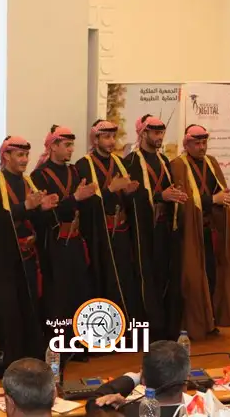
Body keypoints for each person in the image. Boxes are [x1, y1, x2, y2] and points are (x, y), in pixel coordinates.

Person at [0, 136, 57, 368]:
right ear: (6, 156)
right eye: (20, 155)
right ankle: (11, 362)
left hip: (29, 257)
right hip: (6, 260)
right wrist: (26, 207)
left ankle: (32, 359)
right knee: (10, 312)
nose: (25, 160)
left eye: (27, 155)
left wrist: (43, 209)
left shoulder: (28, 182)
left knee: (32, 308)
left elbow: (37, 221)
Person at [31, 126, 95, 358]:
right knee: (58, 297)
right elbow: (46, 214)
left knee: (79, 292)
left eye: (72, 145)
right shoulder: (39, 176)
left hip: (76, 241)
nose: (70, 149)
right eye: (66, 145)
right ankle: (59, 348)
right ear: (53, 146)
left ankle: (78, 346)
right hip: (54, 244)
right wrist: (75, 198)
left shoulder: (74, 171)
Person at [124, 115, 188, 341]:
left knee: (165, 276)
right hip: (144, 232)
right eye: (155, 132)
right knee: (147, 279)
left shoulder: (163, 160)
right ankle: (148, 332)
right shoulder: (131, 161)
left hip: (164, 230)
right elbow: (132, 197)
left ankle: (166, 329)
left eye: (162, 132)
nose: (160, 137)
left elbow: (167, 189)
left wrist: (174, 195)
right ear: (143, 133)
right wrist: (161, 196)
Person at [75, 120, 145, 326]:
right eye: (106, 137)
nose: (112, 141)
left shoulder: (120, 162)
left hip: (121, 231)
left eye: (113, 137)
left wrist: (129, 193)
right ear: (95, 139)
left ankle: (127, 328)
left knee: (125, 279)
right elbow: (85, 205)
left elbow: (127, 201)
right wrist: (110, 190)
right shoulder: (83, 165)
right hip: (99, 236)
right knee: (104, 282)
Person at [171, 124, 230, 339]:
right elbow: (182, 201)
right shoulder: (178, 165)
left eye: (204, 142)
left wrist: (223, 197)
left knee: (212, 276)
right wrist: (213, 200)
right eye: (197, 143)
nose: (202, 147)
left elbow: (219, 191)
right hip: (189, 234)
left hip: (210, 231)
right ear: (187, 144)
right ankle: (192, 325)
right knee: (192, 279)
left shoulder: (211, 162)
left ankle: (210, 322)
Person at [88, 340, 189, 417]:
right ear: (186, 381)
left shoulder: (125, 412)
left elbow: (94, 402)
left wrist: (136, 377)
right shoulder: (196, 411)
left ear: (143, 380)